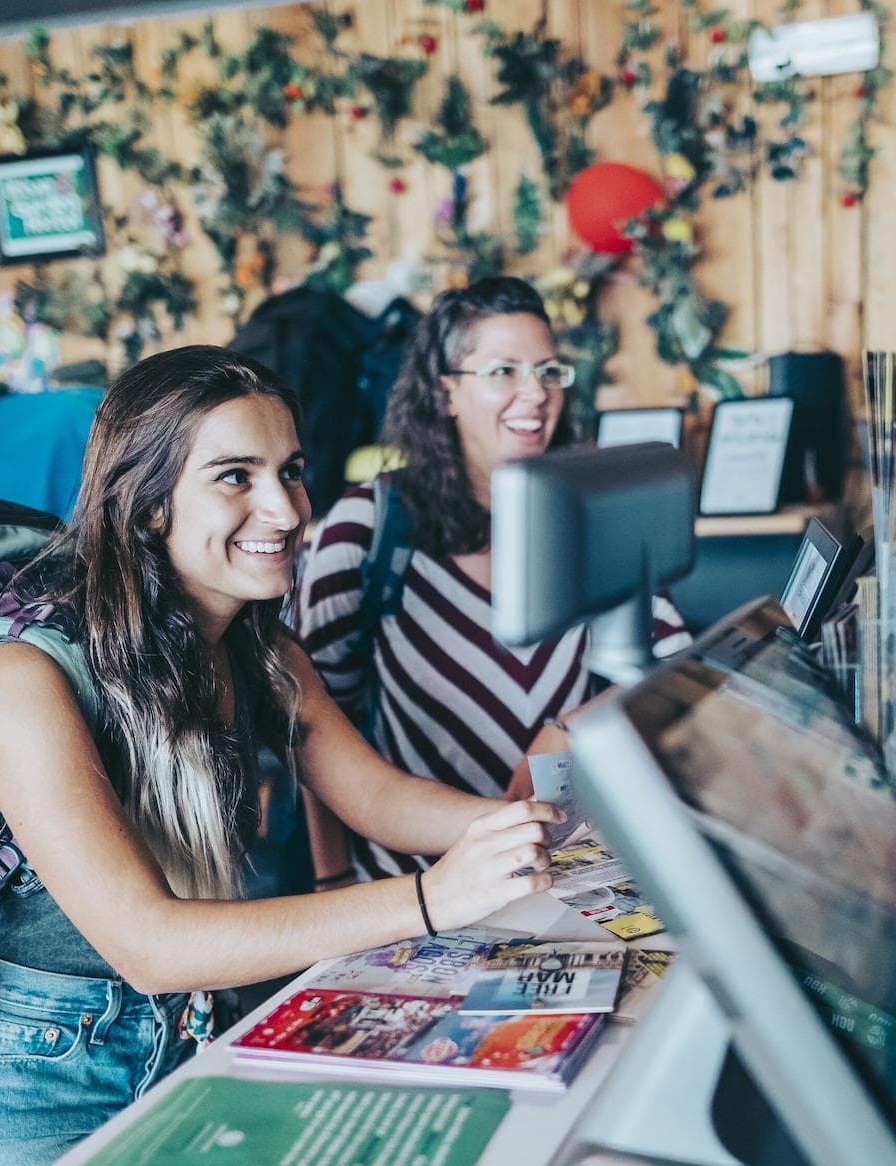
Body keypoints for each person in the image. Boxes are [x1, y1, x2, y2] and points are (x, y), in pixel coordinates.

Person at [0, 346, 556, 1166]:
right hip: (16, 1100)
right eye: (236, 477)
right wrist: (432, 898)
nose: (285, 509)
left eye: (291, 472)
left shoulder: (259, 651)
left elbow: (374, 795)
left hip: (180, 1046)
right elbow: (152, 946)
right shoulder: (23, 681)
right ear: (148, 502)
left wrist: (529, 826)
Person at [291, 277, 689, 882]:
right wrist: (331, 879)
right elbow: (315, 725)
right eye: (504, 371)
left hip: (560, 870)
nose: (535, 394)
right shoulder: (367, 525)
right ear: (445, 390)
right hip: (416, 885)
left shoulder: (595, 511)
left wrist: (570, 727)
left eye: (549, 372)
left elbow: (680, 669)